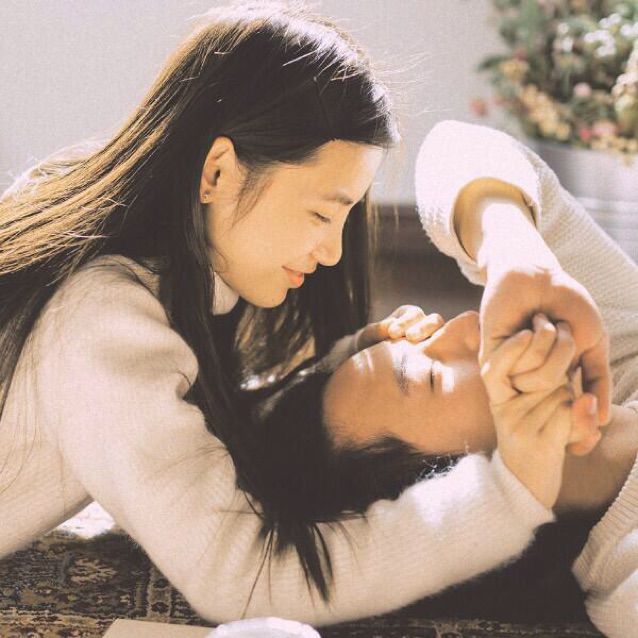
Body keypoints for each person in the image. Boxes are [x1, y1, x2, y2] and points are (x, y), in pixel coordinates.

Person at [0, 0, 605, 627]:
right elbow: (245, 580)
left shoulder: (129, 280)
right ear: (218, 173)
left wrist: (349, 367)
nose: (333, 250)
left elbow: (179, 437)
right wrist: (508, 492)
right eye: (322, 213)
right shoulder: (100, 321)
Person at [251, 120, 638, 636]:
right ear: (468, 495)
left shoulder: (610, 349)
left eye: (425, 338)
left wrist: (514, 255)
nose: (469, 323)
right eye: (430, 376)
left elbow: (453, 147)